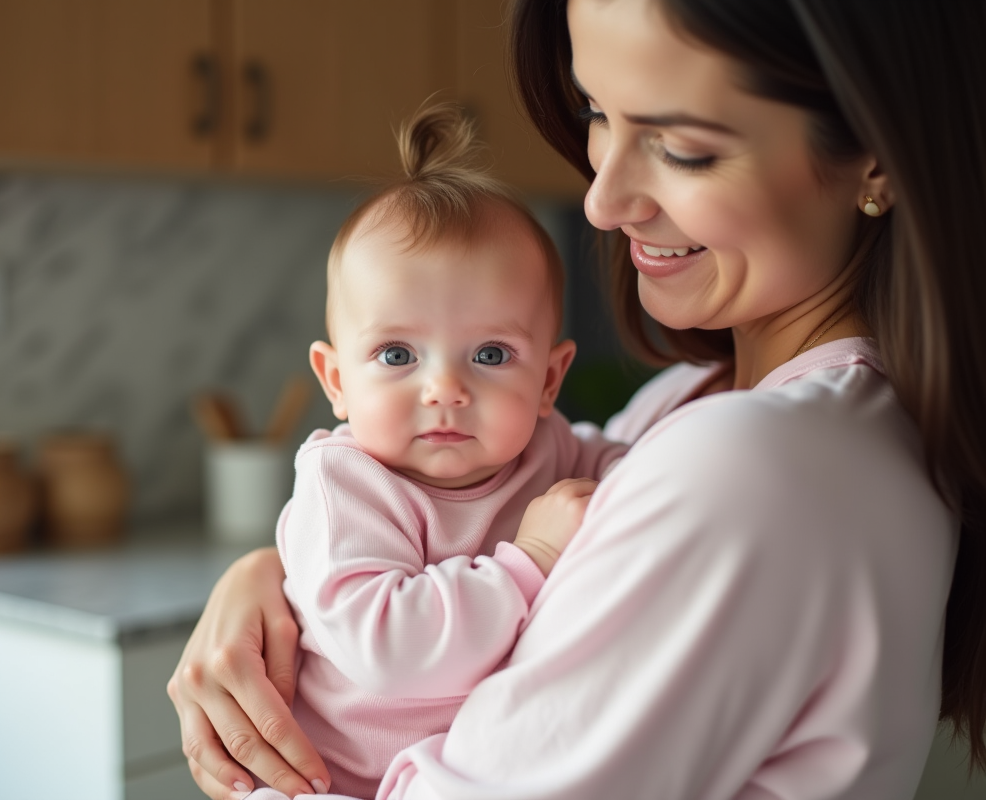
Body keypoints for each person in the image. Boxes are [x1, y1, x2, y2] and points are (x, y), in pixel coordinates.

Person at [167, 0, 986, 798]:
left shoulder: (750, 468)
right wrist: (280, 574)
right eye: (597, 110)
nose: (600, 200)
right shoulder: (701, 410)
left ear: (874, 154)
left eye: (683, 148)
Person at [271, 102, 627, 798]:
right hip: (333, 782)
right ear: (337, 382)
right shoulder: (343, 486)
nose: (445, 388)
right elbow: (391, 649)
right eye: (397, 353)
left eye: (491, 353)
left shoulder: (551, 450)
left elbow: (643, 477)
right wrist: (532, 562)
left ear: (549, 379)